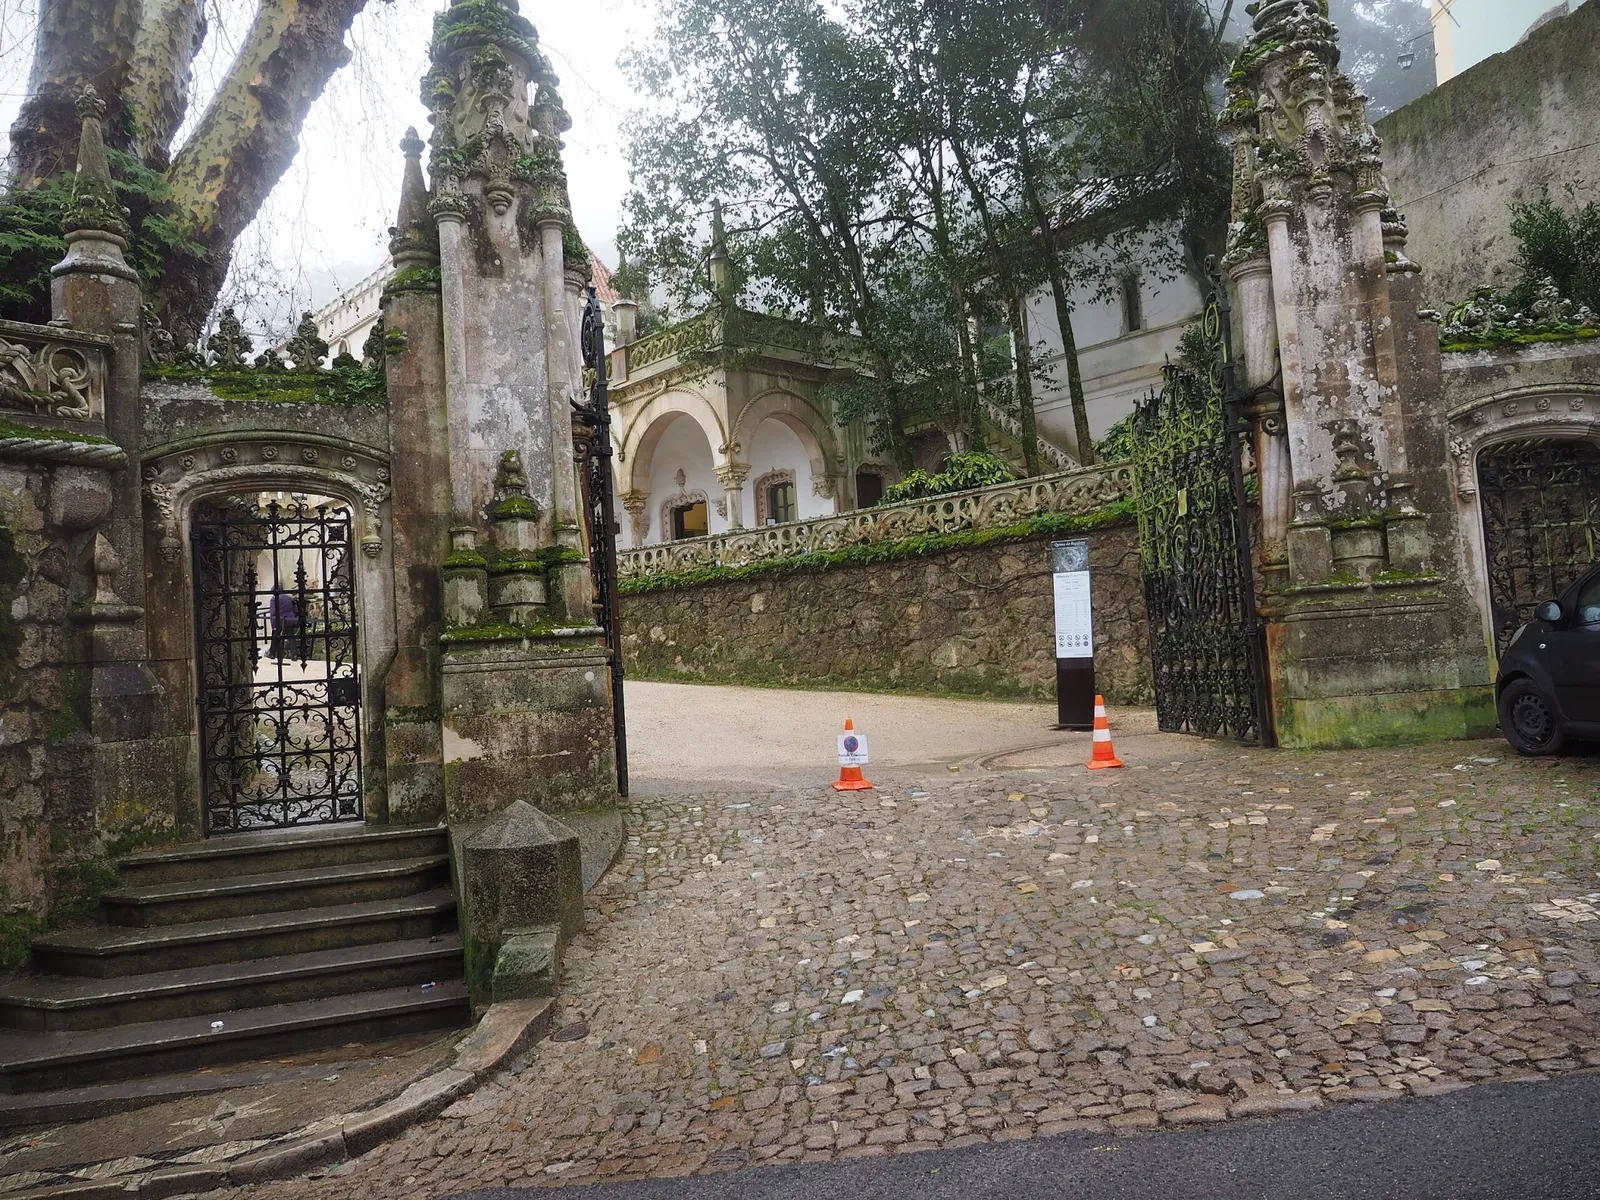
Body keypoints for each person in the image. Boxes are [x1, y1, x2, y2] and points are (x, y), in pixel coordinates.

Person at [268, 584, 299, 662]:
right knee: (291, 637)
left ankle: (272, 653)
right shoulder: (289, 598)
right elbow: (294, 609)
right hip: (290, 618)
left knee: (275, 636)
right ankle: (294, 654)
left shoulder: (274, 599)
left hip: (280, 619)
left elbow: (273, 613)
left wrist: (273, 625)